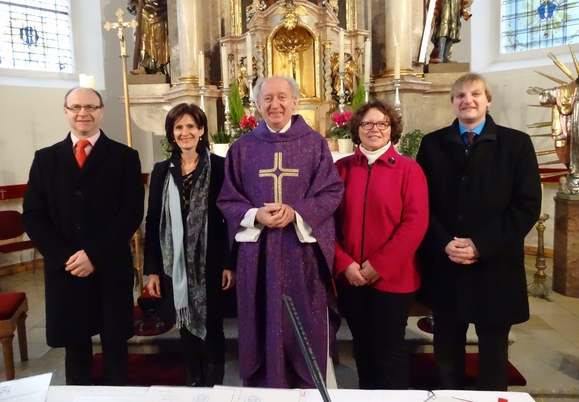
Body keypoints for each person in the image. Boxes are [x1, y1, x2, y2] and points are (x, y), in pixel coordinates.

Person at [416, 73, 541, 390]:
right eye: (460, 95)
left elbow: (525, 206)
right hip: (446, 265)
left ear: (488, 100)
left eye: (474, 94)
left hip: (495, 266)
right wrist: (444, 243)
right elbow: (420, 204)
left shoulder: (516, 144)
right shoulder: (433, 144)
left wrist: (480, 245)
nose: (467, 100)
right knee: (446, 350)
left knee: (494, 352)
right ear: (453, 102)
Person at [217, 75, 344, 388]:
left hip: (300, 256)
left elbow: (330, 191)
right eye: (268, 98)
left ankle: (306, 388)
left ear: (295, 102)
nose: (275, 104)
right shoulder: (242, 148)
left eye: (282, 97)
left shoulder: (315, 144)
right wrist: (255, 214)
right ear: (258, 105)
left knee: (303, 320)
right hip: (256, 257)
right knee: (260, 322)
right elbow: (228, 199)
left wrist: (297, 212)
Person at [22, 87, 145, 385]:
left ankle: (117, 394)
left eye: (90, 106)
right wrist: (68, 257)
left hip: (109, 267)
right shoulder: (45, 159)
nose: (83, 113)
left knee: (115, 345)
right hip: (66, 270)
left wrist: (93, 255)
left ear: (101, 111)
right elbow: (34, 216)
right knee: (75, 348)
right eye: (76, 107)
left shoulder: (125, 157)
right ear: (65, 112)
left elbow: (130, 213)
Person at [334, 101, 429, 389]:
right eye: (367, 124)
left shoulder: (409, 170)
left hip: (394, 279)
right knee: (362, 346)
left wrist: (380, 265)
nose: (374, 129)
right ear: (357, 130)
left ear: (392, 130)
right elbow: (326, 223)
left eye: (382, 124)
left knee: (388, 350)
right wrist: (344, 263)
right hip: (351, 278)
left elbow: (415, 223)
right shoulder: (341, 169)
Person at [143, 103, 236, 387]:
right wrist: (152, 270)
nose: (185, 133)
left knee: (212, 325)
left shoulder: (220, 167)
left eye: (191, 127)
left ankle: (213, 385)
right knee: (185, 325)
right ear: (172, 133)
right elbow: (153, 220)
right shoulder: (162, 170)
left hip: (211, 260)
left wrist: (228, 264)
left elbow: (230, 219)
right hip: (176, 263)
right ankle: (193, 383)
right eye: (179, 127)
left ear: (202, 130)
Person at [527, 77, 579, 194]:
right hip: (577, 124)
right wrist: (543, 93)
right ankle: (576, 176)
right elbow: (560, 93)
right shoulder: (573, 89)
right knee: (576, 148)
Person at [125, 0, 169, 75]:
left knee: (157, 43)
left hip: (157, 16)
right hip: (143, 17)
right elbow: (134, 10)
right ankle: (143, 67)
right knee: (143, 40)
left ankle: (159, 68)